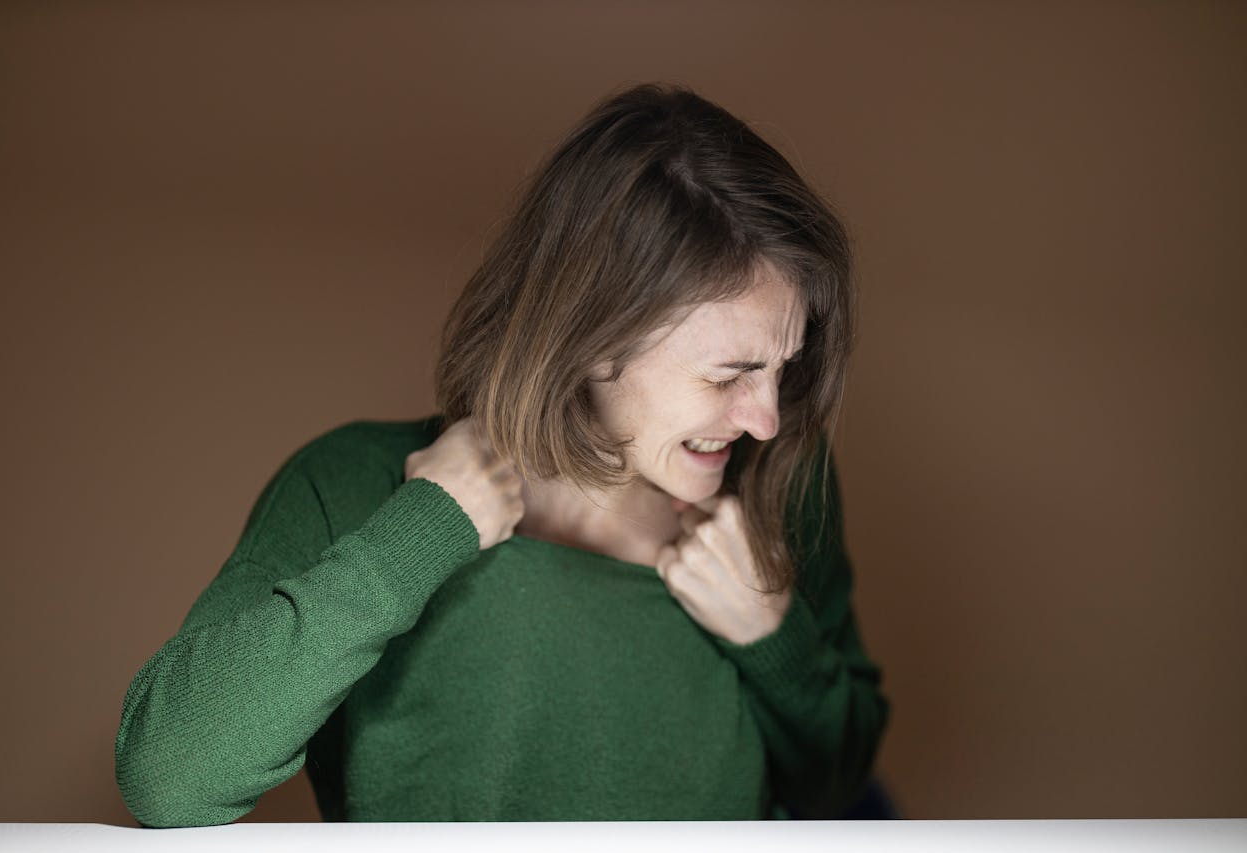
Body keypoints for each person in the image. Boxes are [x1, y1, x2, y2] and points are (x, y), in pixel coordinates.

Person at [114, 82, 890, 827]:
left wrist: (773, 636)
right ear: (596, 340)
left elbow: (835, 787)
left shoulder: (783, 486)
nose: (764, 420)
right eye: (731, 375)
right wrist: (419, 537)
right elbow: (169, 778)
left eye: (782, 369)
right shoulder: (351, 483)